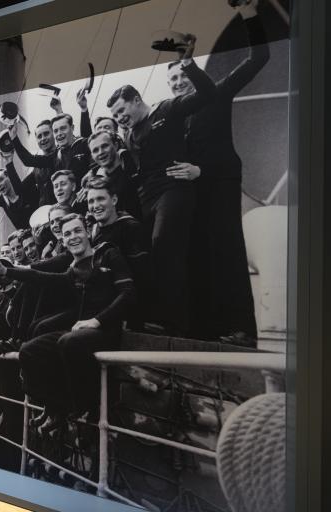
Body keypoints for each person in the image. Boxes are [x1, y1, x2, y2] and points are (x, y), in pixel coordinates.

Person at [167, 0, 268, 344]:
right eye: (173, 80)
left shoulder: (218, 92)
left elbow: (259, 59)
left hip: (221, 182)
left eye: (182, 75)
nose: (178, 83)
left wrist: (250, 14)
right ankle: (207, 328)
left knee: (227, 252)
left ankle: (241, 329)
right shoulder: (176, 116)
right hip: (194, 196)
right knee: (199, 258)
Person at [106, 34, 216, 334]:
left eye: (121, 111)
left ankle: (178, 322)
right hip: (148, 198)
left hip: (174, 190)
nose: (119, 118)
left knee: (164, 245)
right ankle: (160, 316)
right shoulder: (128, 136)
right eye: (114, 116)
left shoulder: (167, 109)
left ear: (136, 100)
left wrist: (188, 63)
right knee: (150, 256)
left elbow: (207, 94)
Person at [0, 213, 135, 433]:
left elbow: (127, 294)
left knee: (68, 342)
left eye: (77, 231)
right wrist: (7, 271)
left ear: (88, 232)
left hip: (106, 328)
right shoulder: (73, 269)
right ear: (63, 240)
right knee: (29, 351)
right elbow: (42, 276)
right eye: (67, 234)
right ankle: (57, 406)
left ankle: (87, 406)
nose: (73, 237)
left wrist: (97, 321)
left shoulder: (108, 254)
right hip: (80, 331)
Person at [87, 177, 151, 329]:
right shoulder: (94, 231)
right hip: (101, 303)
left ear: (114, 200)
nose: (95, 206)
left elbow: (141, 279)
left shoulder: (131, 228)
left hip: (125, 307)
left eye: (100, 199)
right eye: (91, 201)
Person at [80, 131, 141, 219]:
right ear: (92, 156)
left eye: (105, 146)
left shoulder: (131, 165)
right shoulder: (97, 180)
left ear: (116, 146)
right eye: (95, 150)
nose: (101, 152)